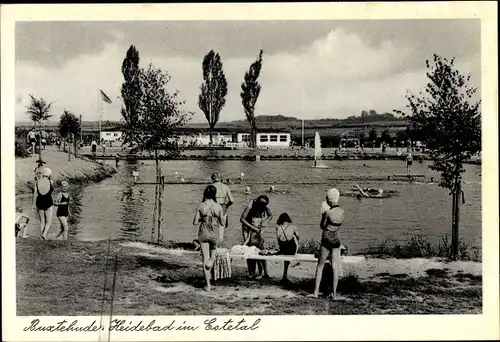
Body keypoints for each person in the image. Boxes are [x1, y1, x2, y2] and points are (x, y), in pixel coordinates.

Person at [309, 188, 343, 300]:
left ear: (329, 200)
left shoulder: (328, 212)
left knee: (320, 265)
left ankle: (315, 292)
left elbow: (322, 226)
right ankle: (334, 294)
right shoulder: (342, 211)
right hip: (337, 238)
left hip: (327, 237)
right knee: (335, 267)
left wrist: (323, 214)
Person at [192, 185, 226, 291]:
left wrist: (203, 217)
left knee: (204, 260)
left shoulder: (201, 205)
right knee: (213, 250)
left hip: (203, 231)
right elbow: (222, 223)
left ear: (205, 194)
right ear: (215, 194)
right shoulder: (218, 207)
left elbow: (194, 222)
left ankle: (208, 285)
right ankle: (213, 257)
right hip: (214, 231)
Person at [240, 195, 273, 279]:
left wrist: (265, 222)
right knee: (249, 249)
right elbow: (242, 219)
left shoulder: (264, 205)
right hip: (247, 227)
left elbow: (270, 216)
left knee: (261, 249)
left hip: (257, 227)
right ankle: (251, 272)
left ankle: (265, 272)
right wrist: (253, 228)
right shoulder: (250, 205)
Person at [211, 172, 234, 244]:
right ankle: (221, 246)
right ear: (220, 178)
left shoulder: (210, 187)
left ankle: (212, 248)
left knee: (213, 229)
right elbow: (232, 200)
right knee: (221, 231)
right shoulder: (226, 187)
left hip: (213, 207)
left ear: (212, 178)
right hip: (223, 207)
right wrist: (227, 206)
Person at [276, 213, 299, 283]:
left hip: (283, 249)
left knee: (286, 254)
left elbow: (278, 239)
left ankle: (284, 275)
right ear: (288, 219)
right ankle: (284, 275)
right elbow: (298, 237)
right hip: (291, 250)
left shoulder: (278, 227)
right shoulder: (293, 227)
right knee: (294, 237)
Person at [33, 167, 54, 240]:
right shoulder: (51, 181)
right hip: (48, 201)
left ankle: (42, 237)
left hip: (39, 201)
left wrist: (33, 204)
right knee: (49, 222)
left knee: (42, 220)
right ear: (49, 175)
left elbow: (35, 193)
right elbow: (51, 190)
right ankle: (44, 234)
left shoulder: (37, 182)